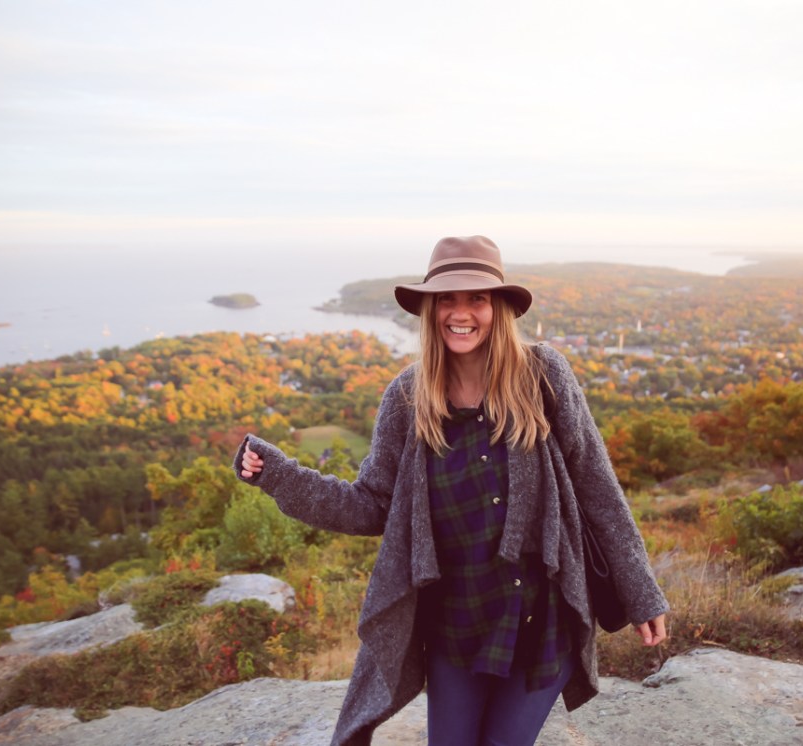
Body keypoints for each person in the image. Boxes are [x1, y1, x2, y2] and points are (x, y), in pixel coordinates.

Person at [235, 235, 668, 746]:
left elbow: (597, 487)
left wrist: (640, 591)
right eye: (446, 299)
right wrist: (280, 476)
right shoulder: (408, 398)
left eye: (476, 298)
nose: (460, 313)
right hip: (456, 624)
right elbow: (370, 506)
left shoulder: (543, 375)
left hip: (542, 617)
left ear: (498, 308)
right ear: (430, 310)